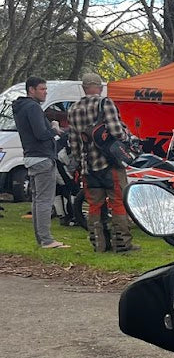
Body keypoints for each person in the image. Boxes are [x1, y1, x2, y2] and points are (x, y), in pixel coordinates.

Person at [67, 72, 136, 253]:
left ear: (83, 87)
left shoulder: (73, 108)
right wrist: (127, 137)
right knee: (118, 202)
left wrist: (80, 160)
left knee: (95, 205)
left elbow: (73, 141)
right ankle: (122, 244)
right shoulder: (105, 103)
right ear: (99, 87)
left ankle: (99, 244)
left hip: (88, 167)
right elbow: (116, 131)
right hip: (109, 163)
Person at [12, 76, 67, 249]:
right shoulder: (33, 107)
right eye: (42, 89)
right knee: (44, 200)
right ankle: (46, 240)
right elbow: (41, 134)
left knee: (37, 200)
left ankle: (41, 238)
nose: (45, 92)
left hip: (31, 156)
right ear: (31, 90)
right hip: (42, 157)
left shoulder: (20, 108)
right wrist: (54, 128)